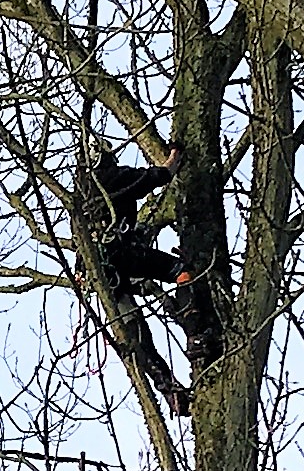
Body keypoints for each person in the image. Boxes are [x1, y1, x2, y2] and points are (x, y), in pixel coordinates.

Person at [77, 137, 217, 407]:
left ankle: (170, 391)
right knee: (180, 270)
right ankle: (196, 334)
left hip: (102, 276)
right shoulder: (113, 177)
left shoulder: (81, 196)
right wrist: (175, 155)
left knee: (136, 331)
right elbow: (159, 175)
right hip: (122, 257)